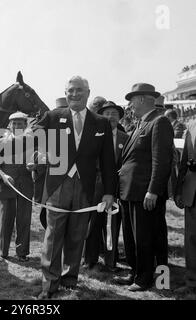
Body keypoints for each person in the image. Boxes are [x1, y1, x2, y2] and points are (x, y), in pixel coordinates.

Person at [34, 76, 116, 299]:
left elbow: (108, 161)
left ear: (88, 93)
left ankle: (70, 278)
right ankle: (49, 283)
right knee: (53, 235)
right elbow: (35, 134)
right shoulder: (53, 116)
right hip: (57, 186)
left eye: (79, 90)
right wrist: (41, 151)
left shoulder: (101, 123)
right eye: (70, 90)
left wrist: (109, 192)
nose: (74, 94)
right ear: (66, 92)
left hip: (85, 188)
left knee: (77, 234)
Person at [116, 83, 174, 291]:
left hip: (145, 193)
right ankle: (135, 271)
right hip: (128, 191)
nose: (130, 105)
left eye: (132, 100)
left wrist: (153, 190)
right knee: (131, 237)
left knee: (146, 237)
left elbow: (161, 161)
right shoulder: (139, 124)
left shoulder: (159, 122)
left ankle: (145, 278)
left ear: (141, 99)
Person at [84, 101, 129, 271]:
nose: (111, 117)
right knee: (93, 222)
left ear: (119, 117)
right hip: (96, 183)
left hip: (117, 185)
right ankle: (90, 259)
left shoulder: (126, 138)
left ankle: (111, 261)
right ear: (102, 116)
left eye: (114, 113)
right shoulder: (95, 134)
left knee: (112, 223)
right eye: (107, 113)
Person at [0, 112, 34, 262]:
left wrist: (34, 166)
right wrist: (3, 177)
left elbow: (39, 160)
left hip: (26, 184)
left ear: (25, 125)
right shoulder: (1, 142)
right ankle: (3, 251)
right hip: (8, 185)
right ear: (9, 125)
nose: (17, 126)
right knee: (5, 217)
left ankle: (22, 252)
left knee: (24, 218)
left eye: (20, 123)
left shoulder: (32, 142)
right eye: (14, 123)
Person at [175, 119, 196, 294]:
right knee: (191, 240)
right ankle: (192, 282)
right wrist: (179, 189)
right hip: (192, 191)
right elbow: (184, 161)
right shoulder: (191, 125)